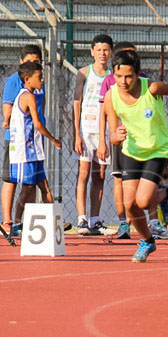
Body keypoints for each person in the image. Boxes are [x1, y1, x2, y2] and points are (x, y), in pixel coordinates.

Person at [98, 50, 168, 262]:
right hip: (131, 153)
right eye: (118, 76)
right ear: (112, 75)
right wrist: (115, 137)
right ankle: (148, 241)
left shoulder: (152, 89)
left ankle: (164, 193)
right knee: (130, 205)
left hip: (156, 151)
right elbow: (113, 135)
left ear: (137, 74)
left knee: (142, 201)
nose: (123, 81)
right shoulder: (111, 96)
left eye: (128, 76)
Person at [0, 43, 44, 234]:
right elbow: (7, 105)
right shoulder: (14, 81)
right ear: (21, 63)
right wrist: (8, 121)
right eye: (29, 62)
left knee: (31, 181)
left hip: (34, 139)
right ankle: (8, 221)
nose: (33, 65)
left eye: (36, 62)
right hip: (17, 139)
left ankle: (28, 220)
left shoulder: (39, 81)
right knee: (11, 179)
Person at [72, 34, 113, 235]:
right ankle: (81, 220)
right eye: (98, 50)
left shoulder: (114, 75)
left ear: (111, 52)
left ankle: (95, 219)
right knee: (84, 173)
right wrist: (76, 134)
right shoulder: (84, 73)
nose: (102, 54)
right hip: (86, 129)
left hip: (105, 132)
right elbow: (77, 102)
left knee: (101, 175)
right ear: (92, 52)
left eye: (105, 50)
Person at [7, 61, 62, 209]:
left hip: (34, 151)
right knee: (28, 188)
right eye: (39, 77)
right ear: (27, 79)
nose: (42, 80)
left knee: (44, 186)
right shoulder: (27, 96)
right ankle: (17, 222)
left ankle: (53, 218)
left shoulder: (30, 95)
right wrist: (53, 140)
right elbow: (37, 124)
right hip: (26, 152)